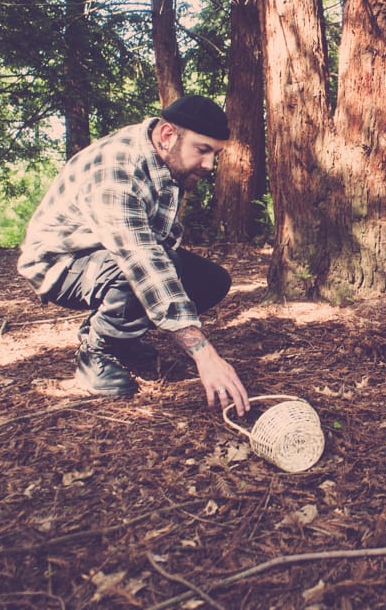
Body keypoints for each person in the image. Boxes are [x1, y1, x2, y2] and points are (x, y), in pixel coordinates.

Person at [18, 94, 249, 413]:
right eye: (202, 150)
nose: (210, 165)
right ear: (167, 135)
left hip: (107, 255)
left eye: (215, 154)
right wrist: (204, 354)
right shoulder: (117, 169)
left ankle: (120, 337)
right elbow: (141, 261)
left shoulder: (166, 160)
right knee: (143, 271)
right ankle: (97, 351)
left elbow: (159, 245)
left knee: (210, 281)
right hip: (60, 265)